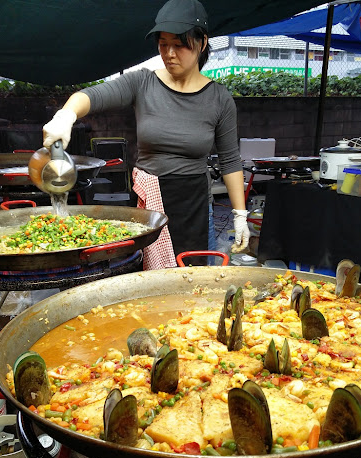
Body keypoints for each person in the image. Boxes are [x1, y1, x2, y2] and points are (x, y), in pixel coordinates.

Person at [42, 0, 249, 269]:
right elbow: (92, 96)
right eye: (163, 44)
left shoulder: (219, 99)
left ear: (202, 42)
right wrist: (66, 115)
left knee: (197, 285)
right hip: (150, 204)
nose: (170, 53)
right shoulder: (142, 82)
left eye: (179, 44)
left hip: (196, 205)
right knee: (153, 289)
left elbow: (230, 161)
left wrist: (240, 214)